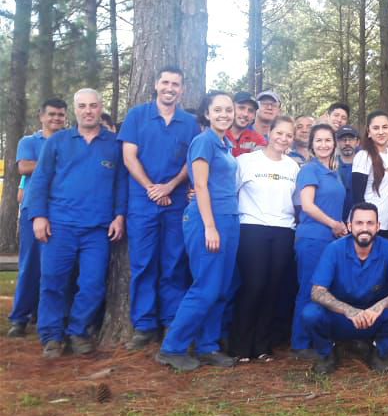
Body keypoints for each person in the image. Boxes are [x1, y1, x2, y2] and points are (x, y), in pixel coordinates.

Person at [29, 88, 127, 358]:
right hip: (59, 225)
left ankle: (78, 331)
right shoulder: (58, 141)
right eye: (82, 106)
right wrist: (38, 215)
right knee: (52, 282)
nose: (88, 111)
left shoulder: (113, 143)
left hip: (97, 228)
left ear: (100, 107)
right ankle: (51, 337)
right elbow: (40, 179)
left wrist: (119, 215)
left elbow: (120, 183)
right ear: (75, 110)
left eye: (93, 106)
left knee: (93, 284)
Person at [157, 91, 240, 372]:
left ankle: (208, 346)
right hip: (208, 220)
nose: (224, 114)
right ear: (207, 113)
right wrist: (209, 226)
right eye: (218, 109)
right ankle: (172, 347)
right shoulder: (203, 141)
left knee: (222, 287)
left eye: (228, 110)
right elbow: (201, 186)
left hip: (229, 220)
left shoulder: (224, 144)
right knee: (205, 287)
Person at [118, 66, 199, 350]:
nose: (170, 88)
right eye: (165, 82)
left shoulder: (189, 122)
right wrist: (153, 188)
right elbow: (129, 157)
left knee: (174, 264)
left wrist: (170, 186)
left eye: (176, 84)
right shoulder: (137, 116)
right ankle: (144, 325)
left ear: (182, 89)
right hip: (142, 202)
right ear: (155, 84)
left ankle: (170, 322)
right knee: (143, 264)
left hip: (175, 203)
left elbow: (191, 162)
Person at [301, 202, 388, 374]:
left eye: (370, 223)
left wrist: (379, 306)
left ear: (378, 226)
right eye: (359, 223)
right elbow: (316, 291)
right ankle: (327, 353)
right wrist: (348, 311)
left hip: (373, 317)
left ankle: (379, 352)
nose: (364, 228)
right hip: (341, 317)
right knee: (311, 313)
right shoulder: (334, 249)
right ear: (349, 226)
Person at [229, 117, 299, 362]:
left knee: (273, 288)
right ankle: (239, 345)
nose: (283, 139)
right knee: (254, 285)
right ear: (269, 132)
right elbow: (230, 193)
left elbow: (297, 203)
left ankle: (262, 345)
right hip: (252, 228)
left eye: (288, 135)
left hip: (283, 230)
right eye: (279, 133)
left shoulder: (293, 167)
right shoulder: (246, 161)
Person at [7, 98, 67, 338]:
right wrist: (54, 161)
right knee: (29, 266)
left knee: (55, 269)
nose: (56, 118)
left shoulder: (70, 140)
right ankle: (19, 318)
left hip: (61, 211)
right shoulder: (29, 141)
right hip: (33, 211)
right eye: (51, 114)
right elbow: (24, 167)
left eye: (61, 115)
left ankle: (44, 316)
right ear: (41, 116)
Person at [291, 123, 348, 360]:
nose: (323, 145)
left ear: (334, 144)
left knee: (327, 290)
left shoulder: (335, 172)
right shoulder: (309, 170)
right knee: (309, 289)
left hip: (332, 241)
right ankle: (300, 343)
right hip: (313, 238)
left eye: (327, 140)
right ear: (311, 144)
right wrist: (334, 224)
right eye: (318, 141)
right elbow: (308, 206)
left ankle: (321, 339)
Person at [352, 111, 388, 240]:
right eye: (375, 128)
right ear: (368, 132)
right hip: (368, 226)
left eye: (385, 127)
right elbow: (357, 197)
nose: (381, 132)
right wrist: (365, 224)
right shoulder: (363, 157)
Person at [227, 92, 266, 157]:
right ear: (231, 108)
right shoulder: (218, 134)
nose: (245, 114)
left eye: (250, 111)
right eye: (241, 108)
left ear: (254, 116)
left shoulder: (258, 140)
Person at [336, 125, 360, 221]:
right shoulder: (331, 166)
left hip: (358, 220)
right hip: (335, 220)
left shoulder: (365, 165)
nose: (347, 143)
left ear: (357, 142)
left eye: (351, 139)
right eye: (343, 139)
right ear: (337, 142)